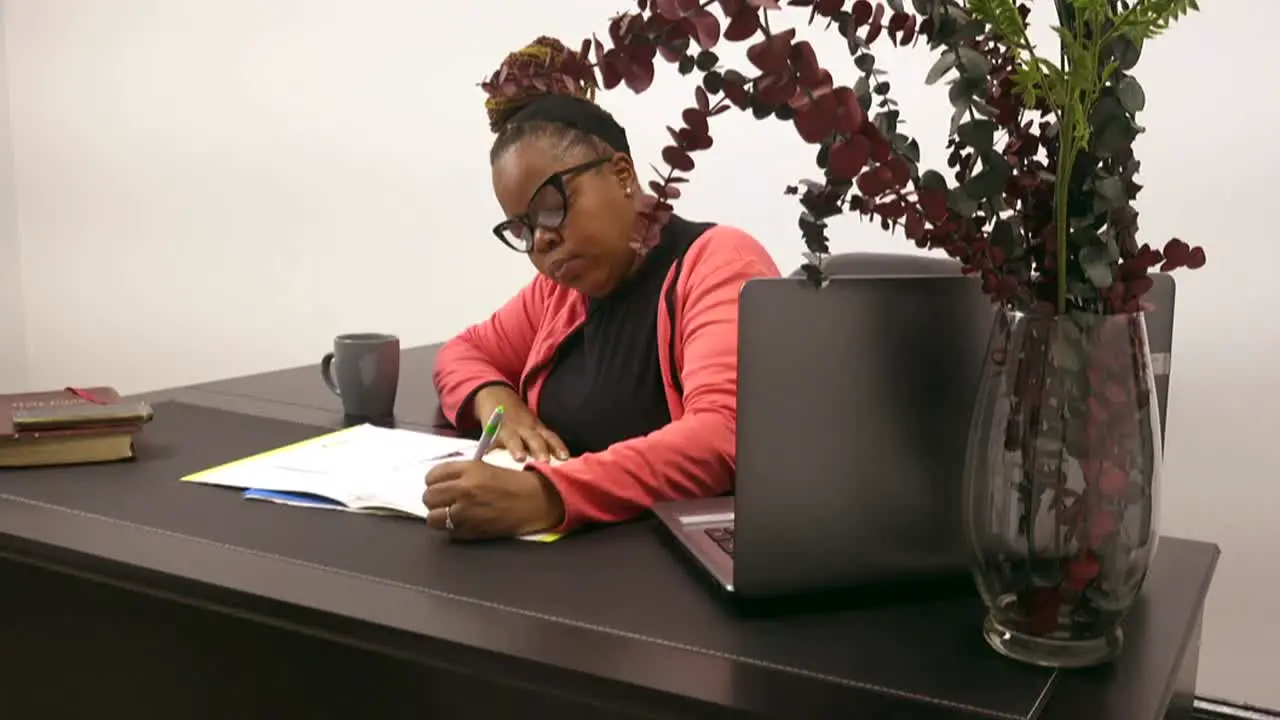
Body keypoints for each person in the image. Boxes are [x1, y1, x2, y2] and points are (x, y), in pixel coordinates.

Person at [424, 37, 781, 540]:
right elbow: (461, 354)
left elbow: (723, 436)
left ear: (622, 174)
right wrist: (499, 407)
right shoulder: (558, 295)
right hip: (565, 570)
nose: (542, 239)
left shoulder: (719, 262)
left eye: (551, 205)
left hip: (672, 580)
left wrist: (550, 494)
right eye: (522, 227)